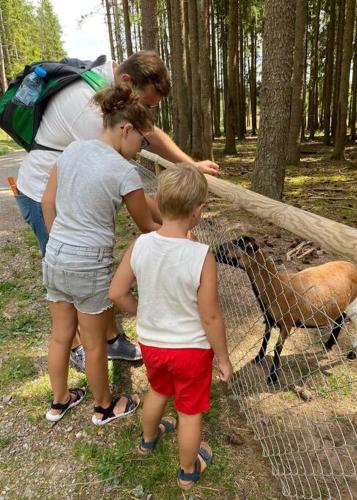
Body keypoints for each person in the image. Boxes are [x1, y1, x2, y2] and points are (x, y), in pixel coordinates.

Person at [16, 51, 220, 370]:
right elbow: (130, 189)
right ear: (126, 82)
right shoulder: (90, 111)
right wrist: (173, 225)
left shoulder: (112, 103)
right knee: (74, 277)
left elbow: (148, 136)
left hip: (62, 195)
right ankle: (84, 346)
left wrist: (189, 165)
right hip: (46, 196)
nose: (147, 115)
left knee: (89, 275)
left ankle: (108, 339)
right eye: (147, 105)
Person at [108, 164, 233, 489]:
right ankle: (187, 471)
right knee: (189, 411)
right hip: (191, 351)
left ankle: (147, 440)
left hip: (152, 344)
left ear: (159, 200)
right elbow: (211, 317)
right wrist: (223, 358)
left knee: (158, 391)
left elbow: (116, 292)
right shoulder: (202, 256)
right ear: (198, 211)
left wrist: (143, 311)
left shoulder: (140, 245)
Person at [41, 83, 159, 424]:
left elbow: (47, 203)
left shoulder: (73, 151)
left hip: (56, 256)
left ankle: (59, 400)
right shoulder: (124, 170)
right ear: (126, 129)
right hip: (88, 265)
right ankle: (103, 406)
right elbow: (147, 225)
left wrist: (60, 243)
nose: (140, 149)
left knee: (61, 334)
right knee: (94, 344)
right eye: (142, 141)